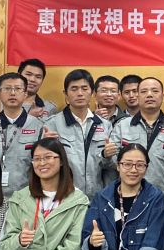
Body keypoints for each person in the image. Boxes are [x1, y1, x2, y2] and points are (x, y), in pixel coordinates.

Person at [108, 77, 164, 219]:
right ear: (138, 96)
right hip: (126, 200)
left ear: (162, 96)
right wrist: (106, 155)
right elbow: (111, 165)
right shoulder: (122, 126)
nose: (149, 95)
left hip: (162, 200)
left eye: (154, 91)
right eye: (144, 91)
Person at [43, 69, 113, 198]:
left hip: (96, 198)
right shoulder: (52, 124)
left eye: (84, 88)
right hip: (63, 197)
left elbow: (110, 166)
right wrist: (44, 147)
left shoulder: (104, 125)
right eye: (74, 89)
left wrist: (107, 156)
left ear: (92, 92)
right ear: (66, 94)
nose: (80, 93)